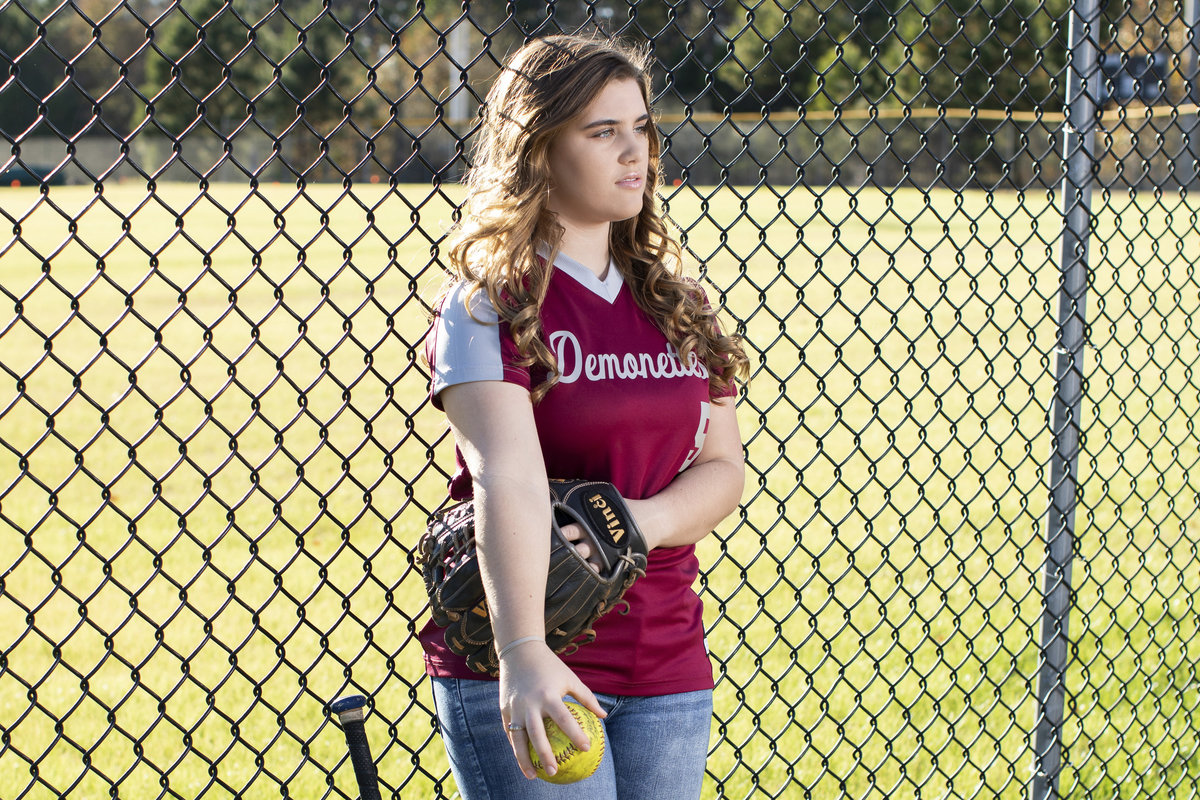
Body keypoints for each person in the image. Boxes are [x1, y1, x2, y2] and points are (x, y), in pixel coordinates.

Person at [421, 34, 749, 800]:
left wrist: (631, 520)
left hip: (666, 654)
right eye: (603, 133)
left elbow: (723, 470)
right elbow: (504, 475)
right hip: (533, 655)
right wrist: (523, 649)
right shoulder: (490, 301)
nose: (634, 153)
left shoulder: (679, 305)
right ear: (538, 149)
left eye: (641, 129)